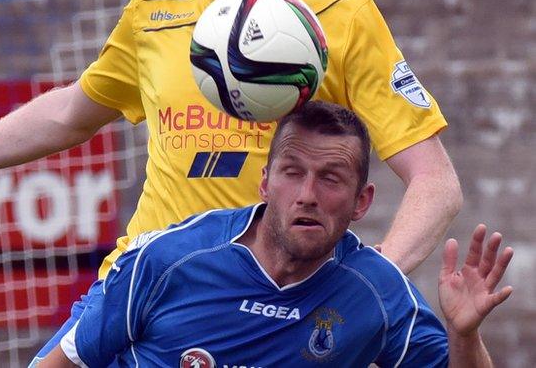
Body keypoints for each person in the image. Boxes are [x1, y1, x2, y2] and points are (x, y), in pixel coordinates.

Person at [0, 0, 461, 362]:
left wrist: (370, 284)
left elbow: (435, 180)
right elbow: (72, 113)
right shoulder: (155, 11)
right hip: (141, 293)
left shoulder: (343, 18)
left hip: (273, 316)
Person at [38, 101, 512, 367]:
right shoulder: (168, 260)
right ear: (265, 182)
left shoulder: (378, 292)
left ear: (361, 203)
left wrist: (464, 335)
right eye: (292, 172)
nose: (307, 194)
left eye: (330, 178)